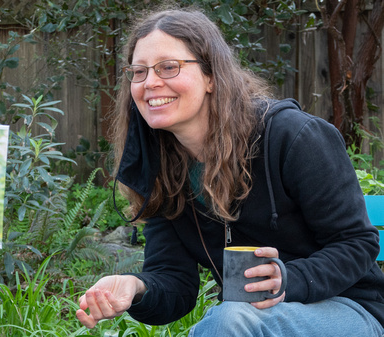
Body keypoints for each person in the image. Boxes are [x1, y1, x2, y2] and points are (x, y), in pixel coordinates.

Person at [75, 8, 384, 337]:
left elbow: (357, 244)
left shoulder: (292, 137)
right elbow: (175, 288)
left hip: (349, 308)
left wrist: (288, 279)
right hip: (246, 319)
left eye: (168, 67)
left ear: (211, 76)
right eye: (138, 71)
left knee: (229, 321)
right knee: (230, 319)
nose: (150, 82)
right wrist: (135, 285)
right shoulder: (162, 169)